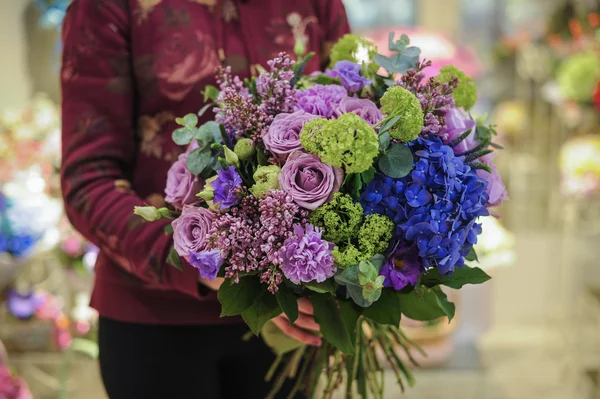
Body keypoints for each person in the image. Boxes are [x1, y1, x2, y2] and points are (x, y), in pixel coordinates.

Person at [60, 0, 350, 398]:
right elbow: (87, 180)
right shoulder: (107, 7)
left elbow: (349, 123)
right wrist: (201, 255)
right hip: (155, 323)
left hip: (289, 319)